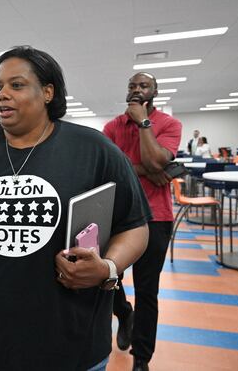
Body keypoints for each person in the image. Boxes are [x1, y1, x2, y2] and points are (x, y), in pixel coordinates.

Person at [0, 46, 151, 371]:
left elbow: (135, 225)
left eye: (16, 85)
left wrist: (108, 268)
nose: (2, 95)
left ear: (47, 92)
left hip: (71, 341)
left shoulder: (94, 150)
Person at [103, 72, 182, 371]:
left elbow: (157, 162)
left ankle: (142, 357)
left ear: (155, 92)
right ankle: (123, 313)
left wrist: (143, 123)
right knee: (107, 279)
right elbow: (111, 171)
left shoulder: (169, 125)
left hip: (156, 218)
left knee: (148, 291)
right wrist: (148, 169)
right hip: (119, 216)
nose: (137, 89)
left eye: (144, 86)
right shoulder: (111, 127)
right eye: (132, 85)